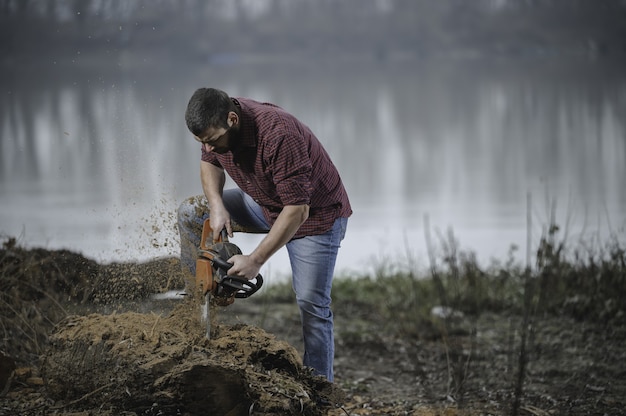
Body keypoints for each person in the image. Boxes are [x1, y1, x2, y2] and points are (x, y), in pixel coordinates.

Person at [177, 87, 352, 381]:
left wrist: (256, 259)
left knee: (312, 303)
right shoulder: (213, 125)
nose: (208, 148)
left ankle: (321, 388)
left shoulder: (278, 135)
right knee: (191, 213)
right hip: (263, 203)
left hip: (314, 218)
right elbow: (209, 164)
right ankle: (199, 299)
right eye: (201, 142)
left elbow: (297, 211)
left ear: (233, 119)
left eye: (212, 141)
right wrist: (217, 206)